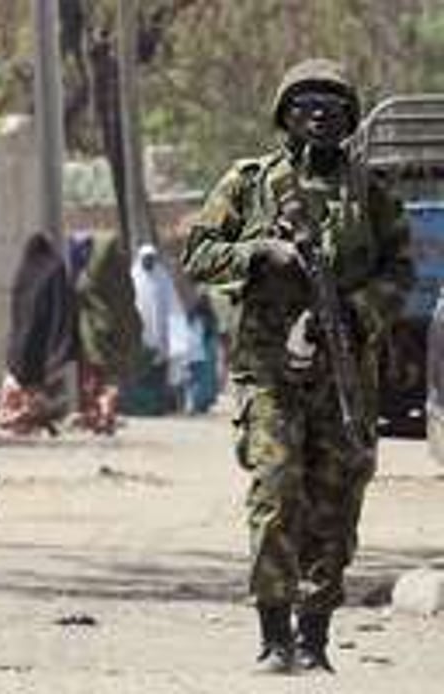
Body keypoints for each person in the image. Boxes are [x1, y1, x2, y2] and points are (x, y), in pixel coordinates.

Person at [182, 58, 413, 674]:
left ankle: (315, 638)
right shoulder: (249, 183)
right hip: (269, 374)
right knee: (277, 491)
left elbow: (401, 275)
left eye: (331, 105)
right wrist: (260, 254)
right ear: (284, 114)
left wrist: (357, 312)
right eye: (305, 103)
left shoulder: (372, 194)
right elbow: (198, 254)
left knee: (335, 503)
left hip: (343, 372)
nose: (318, 114)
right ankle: (274, 634)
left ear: (349, 119)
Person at [0, 232, 76, 434]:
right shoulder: (56, 268)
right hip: (41, 341)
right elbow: (61, 305)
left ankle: (24, 421)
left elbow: (15, 307)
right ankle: (25, 419)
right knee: (34, 387)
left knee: (26, 385)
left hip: (20, 341)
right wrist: (60, 341)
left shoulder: (23, 270)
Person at [68, 231, 143, 434]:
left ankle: (100, 416)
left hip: (95, 332)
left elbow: (80, 289)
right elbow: (130, 300)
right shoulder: (121, 273)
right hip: (118, 332)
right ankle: (105, 416)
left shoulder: (91, 275)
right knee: (110, 377)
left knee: (94, 376)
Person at [122, 243, 191, 415]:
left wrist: (177, 336)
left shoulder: (163, 279)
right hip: (139, 335)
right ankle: (139, 407)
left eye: (152, 259)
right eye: (146, 259)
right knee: (140, 371)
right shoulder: (133, 278)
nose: (149, 262)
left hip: (161, 336)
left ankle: (157, 407)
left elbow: (173, 307)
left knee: (158, 372)